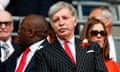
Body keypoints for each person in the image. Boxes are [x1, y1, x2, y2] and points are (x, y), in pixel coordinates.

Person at [35, 1, 107, 72]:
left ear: (75, 21)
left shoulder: (92, 47)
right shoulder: (43, 53)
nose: (61, 23)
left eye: (65, 18)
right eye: (56, 20)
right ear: (52, 26)